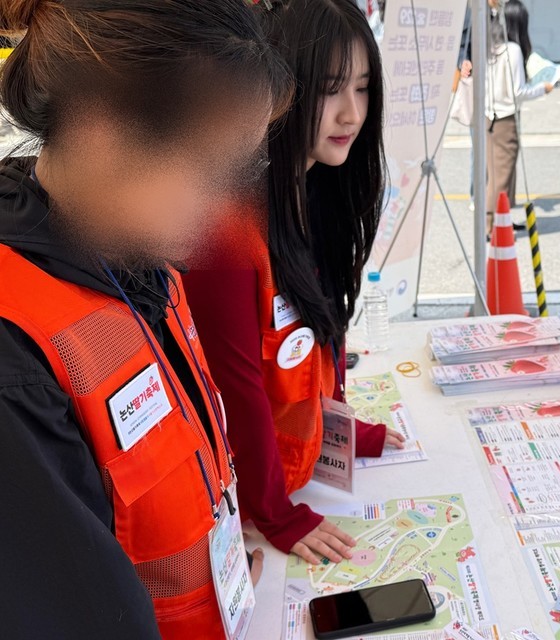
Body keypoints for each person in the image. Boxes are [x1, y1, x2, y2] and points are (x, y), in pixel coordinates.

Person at [0, 0, 289, 638]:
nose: (222, 211)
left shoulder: (138, 261)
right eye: (207, 173)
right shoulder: (16, 359)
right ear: (102, 134)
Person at [182, 0, 404, 567]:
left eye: (363, 87)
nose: (352, 114)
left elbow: (319, 340)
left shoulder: (314, 193)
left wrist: (346, 434)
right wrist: (276, 512)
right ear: (278, 89)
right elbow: (236, 387)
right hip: (245, 504)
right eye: (331, 88)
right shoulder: (226, 228)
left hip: (303, 472)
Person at [482, 0, 552, 231]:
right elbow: (518, 92)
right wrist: (544, 88)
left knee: (495, 175)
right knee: (502, 177)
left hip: (489, 118)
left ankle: (500, 220)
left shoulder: (491, 46)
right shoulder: (512, 50)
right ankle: (491, 226)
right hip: (505, 120)